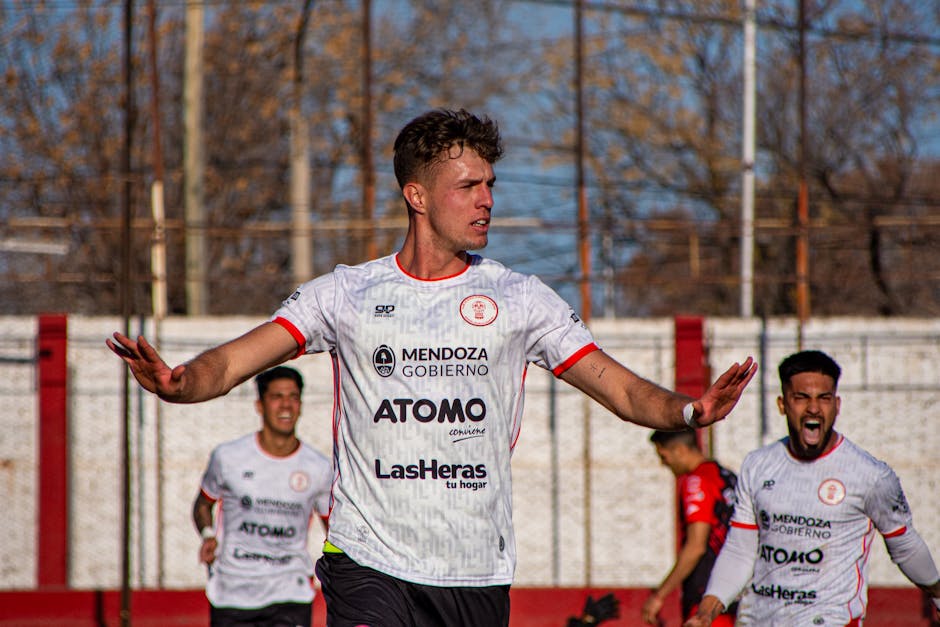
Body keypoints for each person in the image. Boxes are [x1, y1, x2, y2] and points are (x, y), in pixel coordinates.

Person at [108, 108, 757, 627]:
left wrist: (690, 410)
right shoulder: (346, 293)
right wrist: (180, 382)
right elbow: (238, 356)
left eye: (490, 185)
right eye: (468, 186)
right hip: (367, 561)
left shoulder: (519, 297)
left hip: (472, 570)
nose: (486, 201)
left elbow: (617, 385)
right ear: (417, 195)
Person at [685, 350, 940, 627]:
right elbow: (740, 549)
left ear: (837, 405)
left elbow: (904, 545)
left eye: (824, 398)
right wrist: (705, 612)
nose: (814, 409)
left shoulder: (870, 475)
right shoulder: (758, 465)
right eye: (801, 398)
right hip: (758, 620)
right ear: (783, 404)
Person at [192, 366, 332, 627]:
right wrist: (208, 536)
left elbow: (334, 527)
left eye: (293, 397)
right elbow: (202, 504)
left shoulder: (319, 467)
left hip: (291, 590)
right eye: (277, 397)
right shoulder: (228, 457)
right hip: (232, 591)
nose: (286, 405)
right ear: (260, 405)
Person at [642, 429, 737, 626]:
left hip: (706, 595)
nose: (663, 463)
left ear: (679, 450)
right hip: (732, 592)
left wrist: (659, 595)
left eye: (663, 456)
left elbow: (696, 546)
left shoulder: (697, 481)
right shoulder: (726, 476)